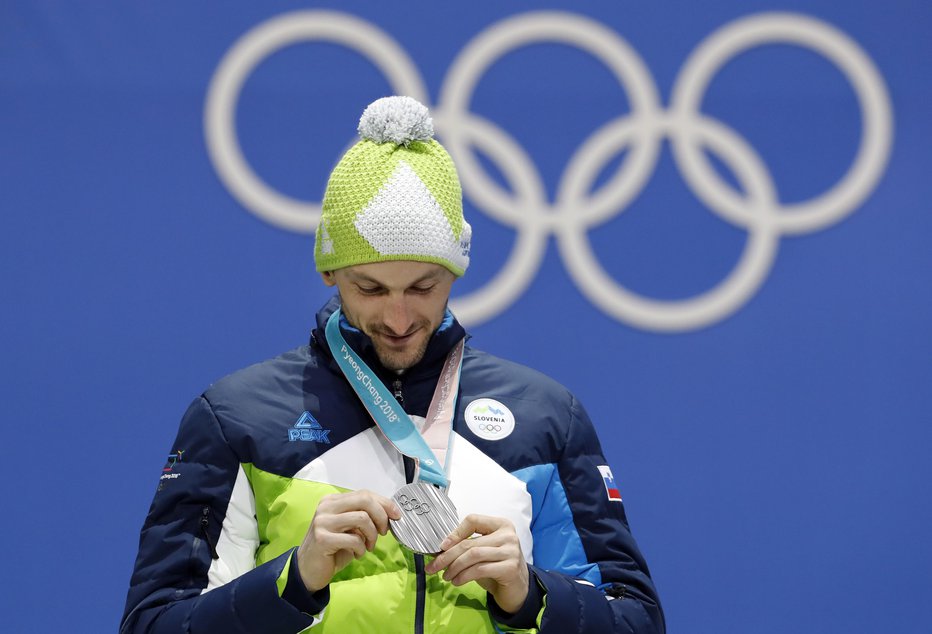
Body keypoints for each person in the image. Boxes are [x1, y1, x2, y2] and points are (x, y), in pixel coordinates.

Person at [121, 96, 665, 633]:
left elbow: (636, 621)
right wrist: (291, 582)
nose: (399, 316)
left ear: (455, 273)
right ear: (330, 274)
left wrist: (531, 596)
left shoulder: (546, 418)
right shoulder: (236, 419)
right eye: (372, 288)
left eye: (423, 287)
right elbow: (156, 622)